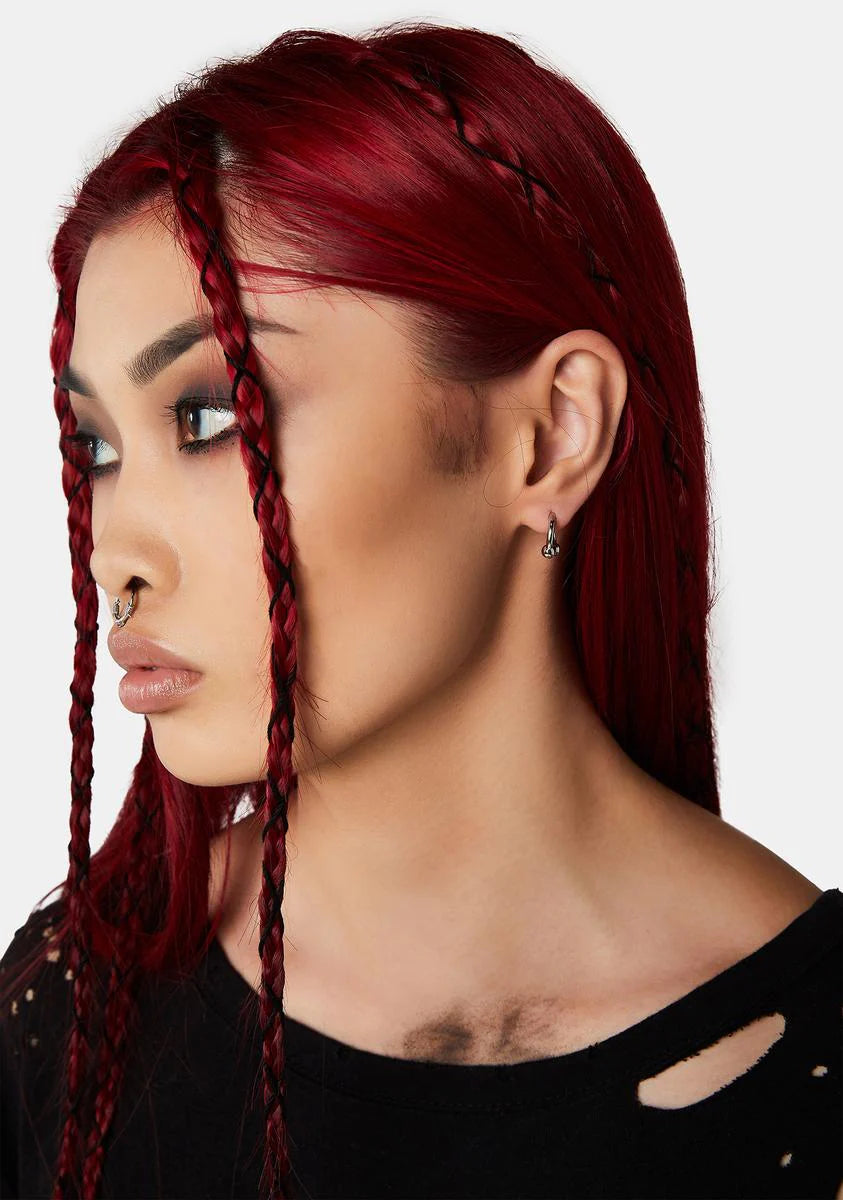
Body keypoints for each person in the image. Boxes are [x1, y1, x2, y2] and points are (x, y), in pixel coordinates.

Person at [1, 19, 840, 1200]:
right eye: (93, 444)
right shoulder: (74, 1004)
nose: (114, 555)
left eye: (209, 416)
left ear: (551, 436)